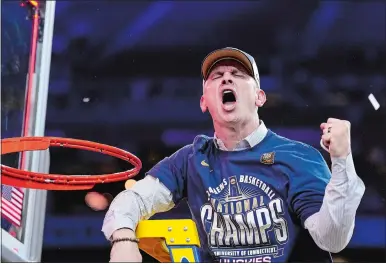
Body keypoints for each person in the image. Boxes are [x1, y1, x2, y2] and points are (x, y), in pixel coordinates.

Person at [93, 47, 365, 262]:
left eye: (238, 74)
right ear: (203, 102)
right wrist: (123, 241)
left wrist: (342, 161)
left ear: (259, 97)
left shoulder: (299, 157)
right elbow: (132, 201)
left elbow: (332, 239)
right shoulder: (190, 160)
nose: (226, 77)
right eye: (216, 76)